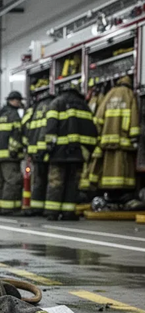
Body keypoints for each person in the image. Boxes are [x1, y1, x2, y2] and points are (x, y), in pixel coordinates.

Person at [43, 85, 97, 221]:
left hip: (58, 153)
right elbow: (91, 130)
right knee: (72, 183)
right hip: (78, 154)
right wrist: (88, 150)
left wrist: (49, 147)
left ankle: (52, 212)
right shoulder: (84, 106)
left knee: (56, 182)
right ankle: (68, 212)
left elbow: (51, 127)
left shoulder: (56, 103)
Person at [0, 91, 25, 216]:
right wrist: (14, 150)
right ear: (13, 101)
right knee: (12, 181)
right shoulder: (13, 114)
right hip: (9, 156)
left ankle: (1, 207)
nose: (19, 103)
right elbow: (17, 134)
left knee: (2, 182)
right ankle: (9, 209)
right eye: (18, 101)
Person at [21, 94, 54, 217]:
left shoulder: (33, 109)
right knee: (51, 179)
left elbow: (24, 127)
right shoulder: (53, 106)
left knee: (38, 179)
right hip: (47, 149)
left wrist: (27, 147)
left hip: (33, 150)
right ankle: (47, 207)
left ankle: (36, 207)